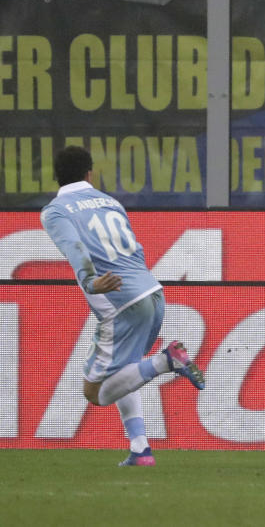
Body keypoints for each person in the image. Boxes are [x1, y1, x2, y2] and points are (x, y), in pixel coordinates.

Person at [40, 146, 205, 466]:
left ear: (56, 177)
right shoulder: (110, 202)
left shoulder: (56, 210)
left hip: (121, 304)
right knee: (125, 373)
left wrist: (90, 281)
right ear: (90, 174)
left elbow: (75, 248)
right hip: (153, 294)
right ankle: (140, 448)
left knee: (96, 392)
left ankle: (166, 361)